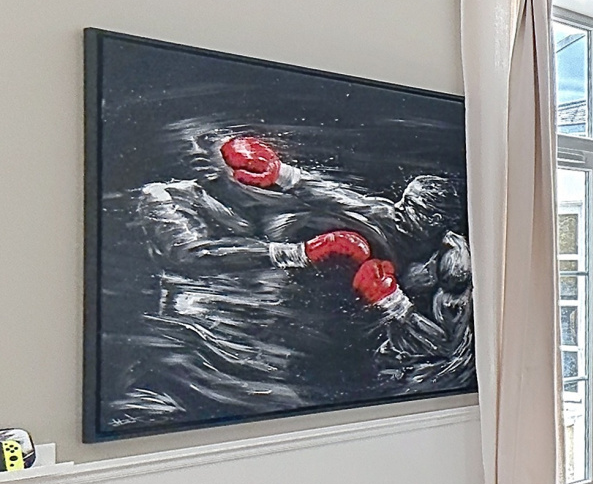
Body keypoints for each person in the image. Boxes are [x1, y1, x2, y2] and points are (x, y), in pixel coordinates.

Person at [118, 129, 471, 426]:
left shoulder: (453, 266)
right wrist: (282, 174)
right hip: (225, 337)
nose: (400, 214)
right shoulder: (394, 219)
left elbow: (449, 353)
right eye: (403, 205)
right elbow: (345, 199)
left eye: (413, 211)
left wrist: (392, 303)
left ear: (435, 221)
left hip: (410, 384)